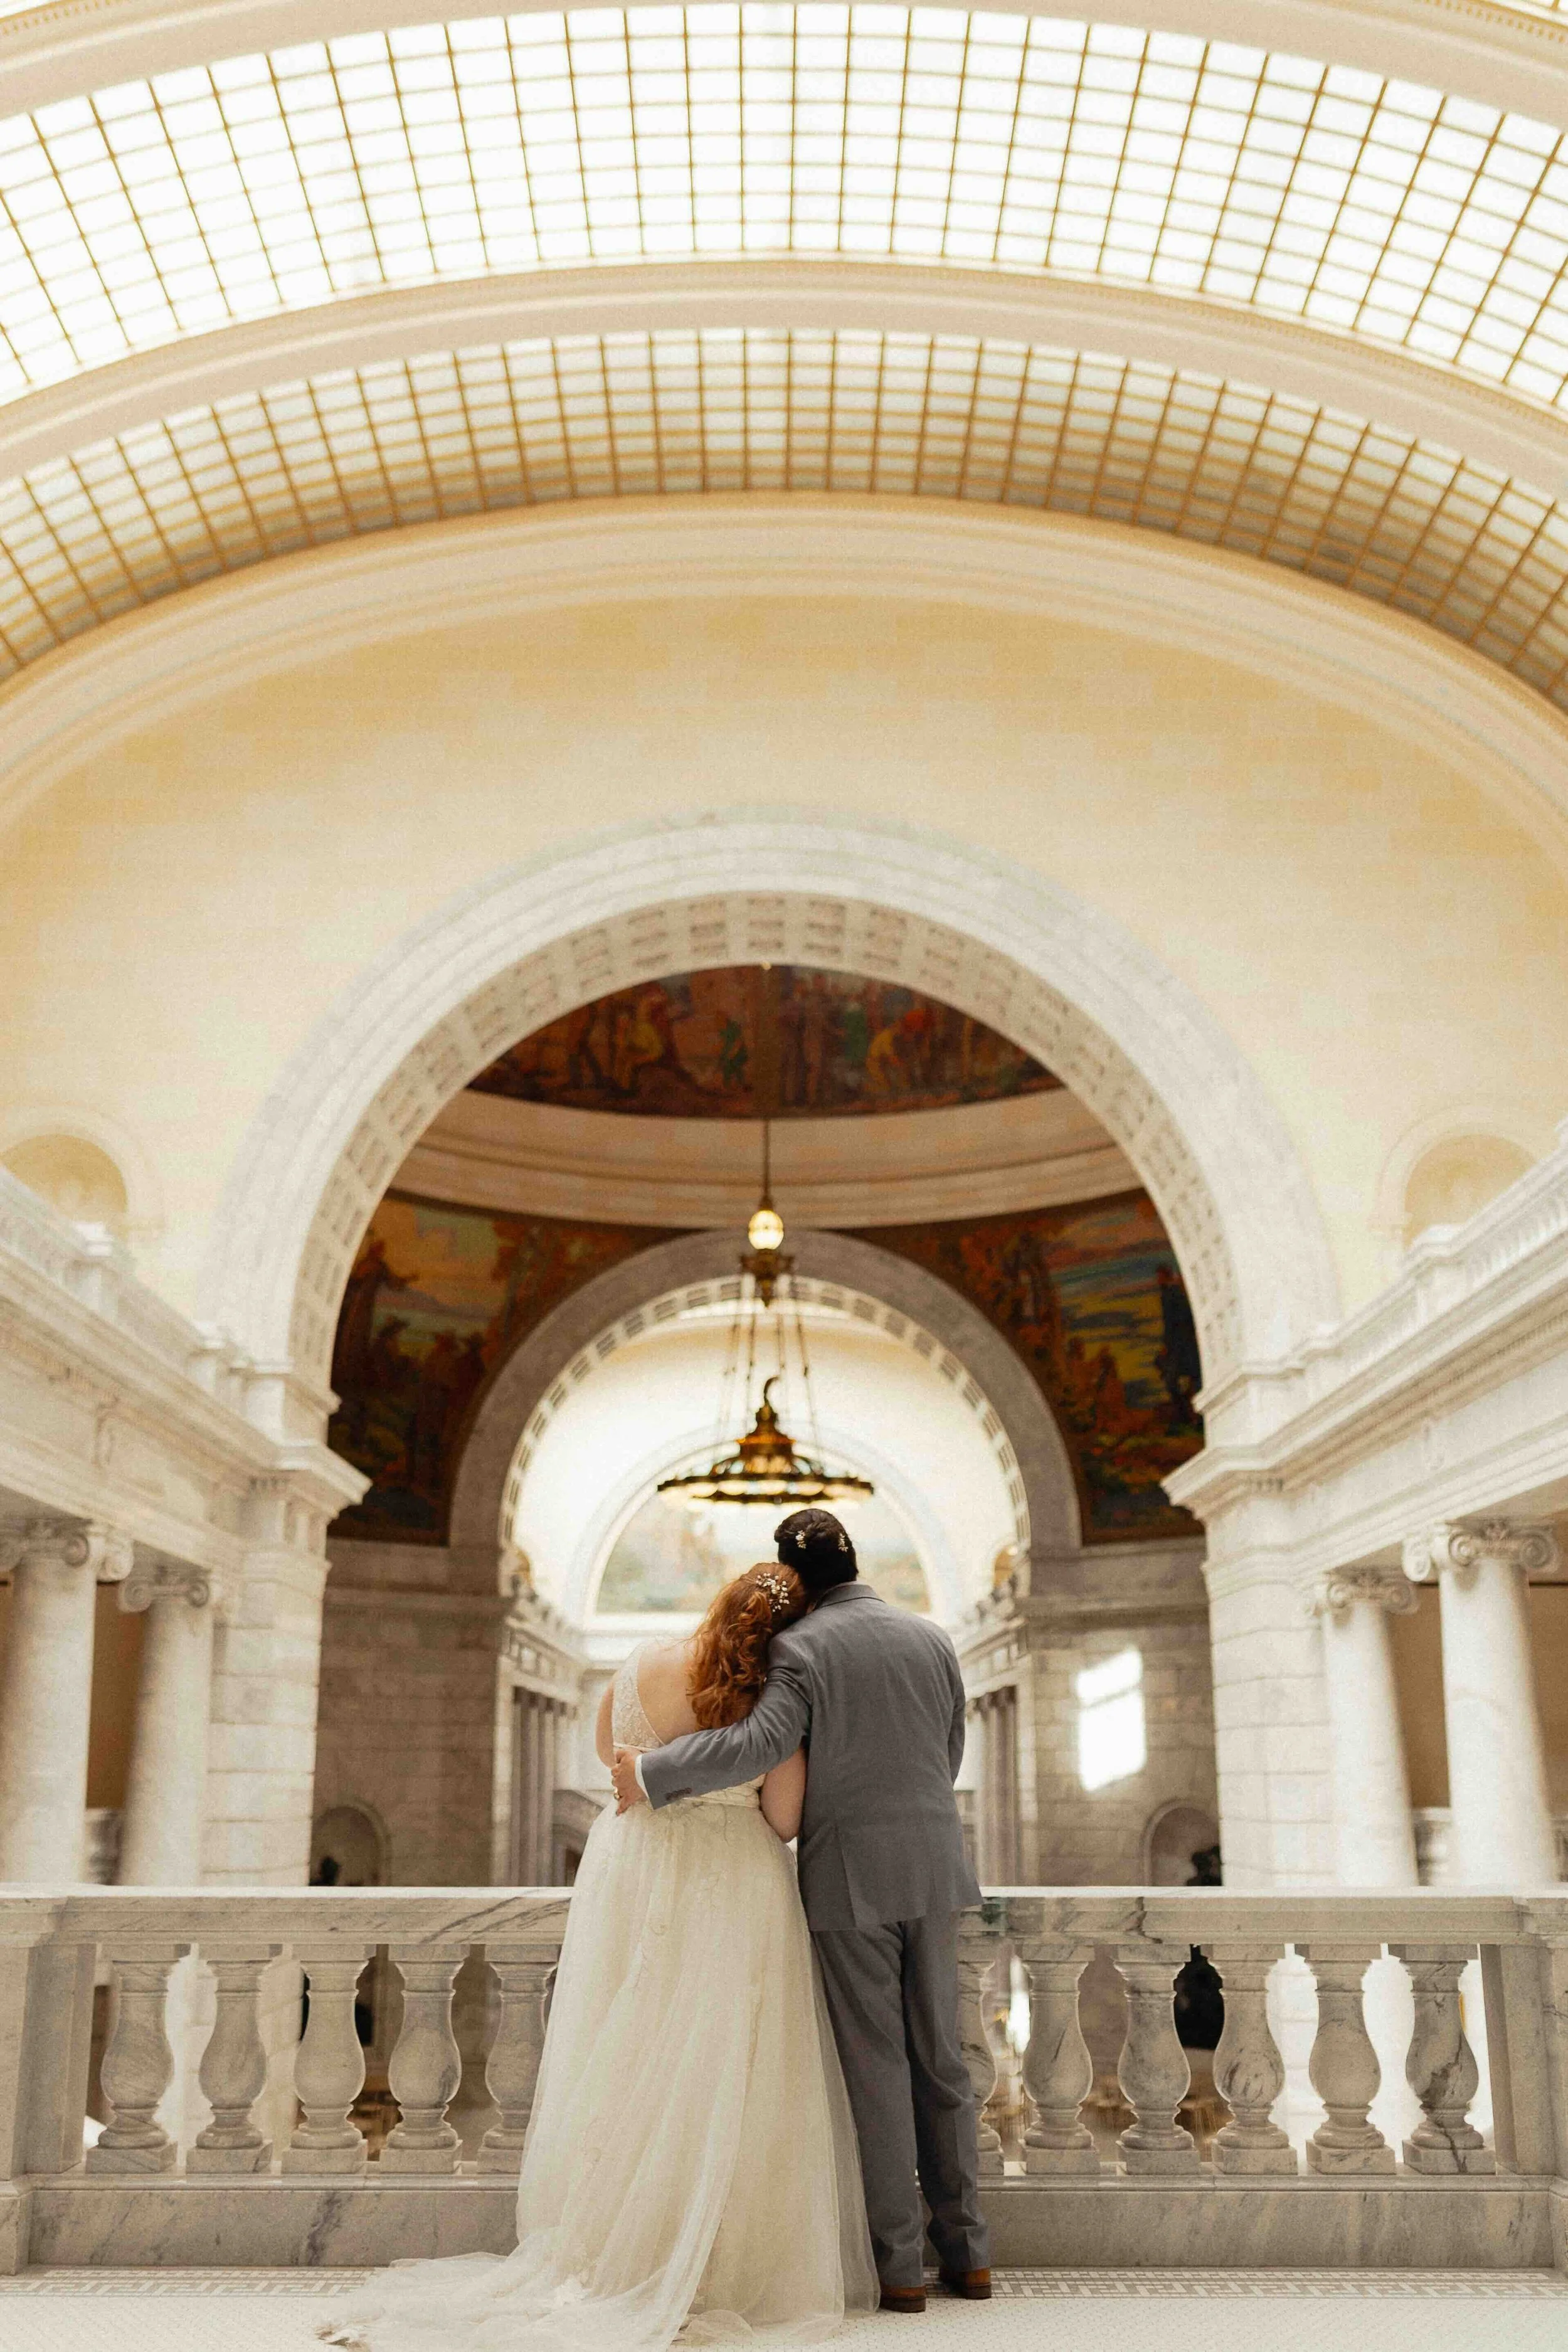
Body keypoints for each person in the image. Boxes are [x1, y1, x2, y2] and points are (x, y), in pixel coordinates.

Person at [324, 1564, 877, 2351]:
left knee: (629, 2048)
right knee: (726, 2064)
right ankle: (709, 2256)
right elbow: (785, 1818)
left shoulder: (641, 1663)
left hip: (638, 1870)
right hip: (733, 1882)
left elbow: (607, 1761)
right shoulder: (771, 1695)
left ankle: (613, 2246)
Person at [613, 1506, 992, 2316]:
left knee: (878, 2067)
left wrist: (652, 1771)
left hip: (850, 1877)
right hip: (934, 1865)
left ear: (798, 1581)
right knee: (943, 2062)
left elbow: (756, 1745)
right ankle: (971, 2253)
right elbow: (949, 1748)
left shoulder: (800, 1647)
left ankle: (900, 2269)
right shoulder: (932, 1639)